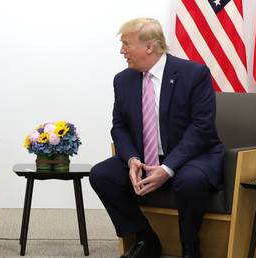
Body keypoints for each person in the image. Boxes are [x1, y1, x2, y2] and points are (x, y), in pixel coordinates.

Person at [89, 18, 225, 258]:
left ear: (149, 47)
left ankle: (190, 247)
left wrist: (168, 167)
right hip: (145, 158)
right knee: (103, 175)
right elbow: (119, 127)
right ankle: (145, 239)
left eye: (126, 44)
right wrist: (131, 158)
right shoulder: (123, 80)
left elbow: (201, 128)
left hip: (192, 157)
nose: (122, 51)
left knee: (190, 181)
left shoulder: (193, 74)